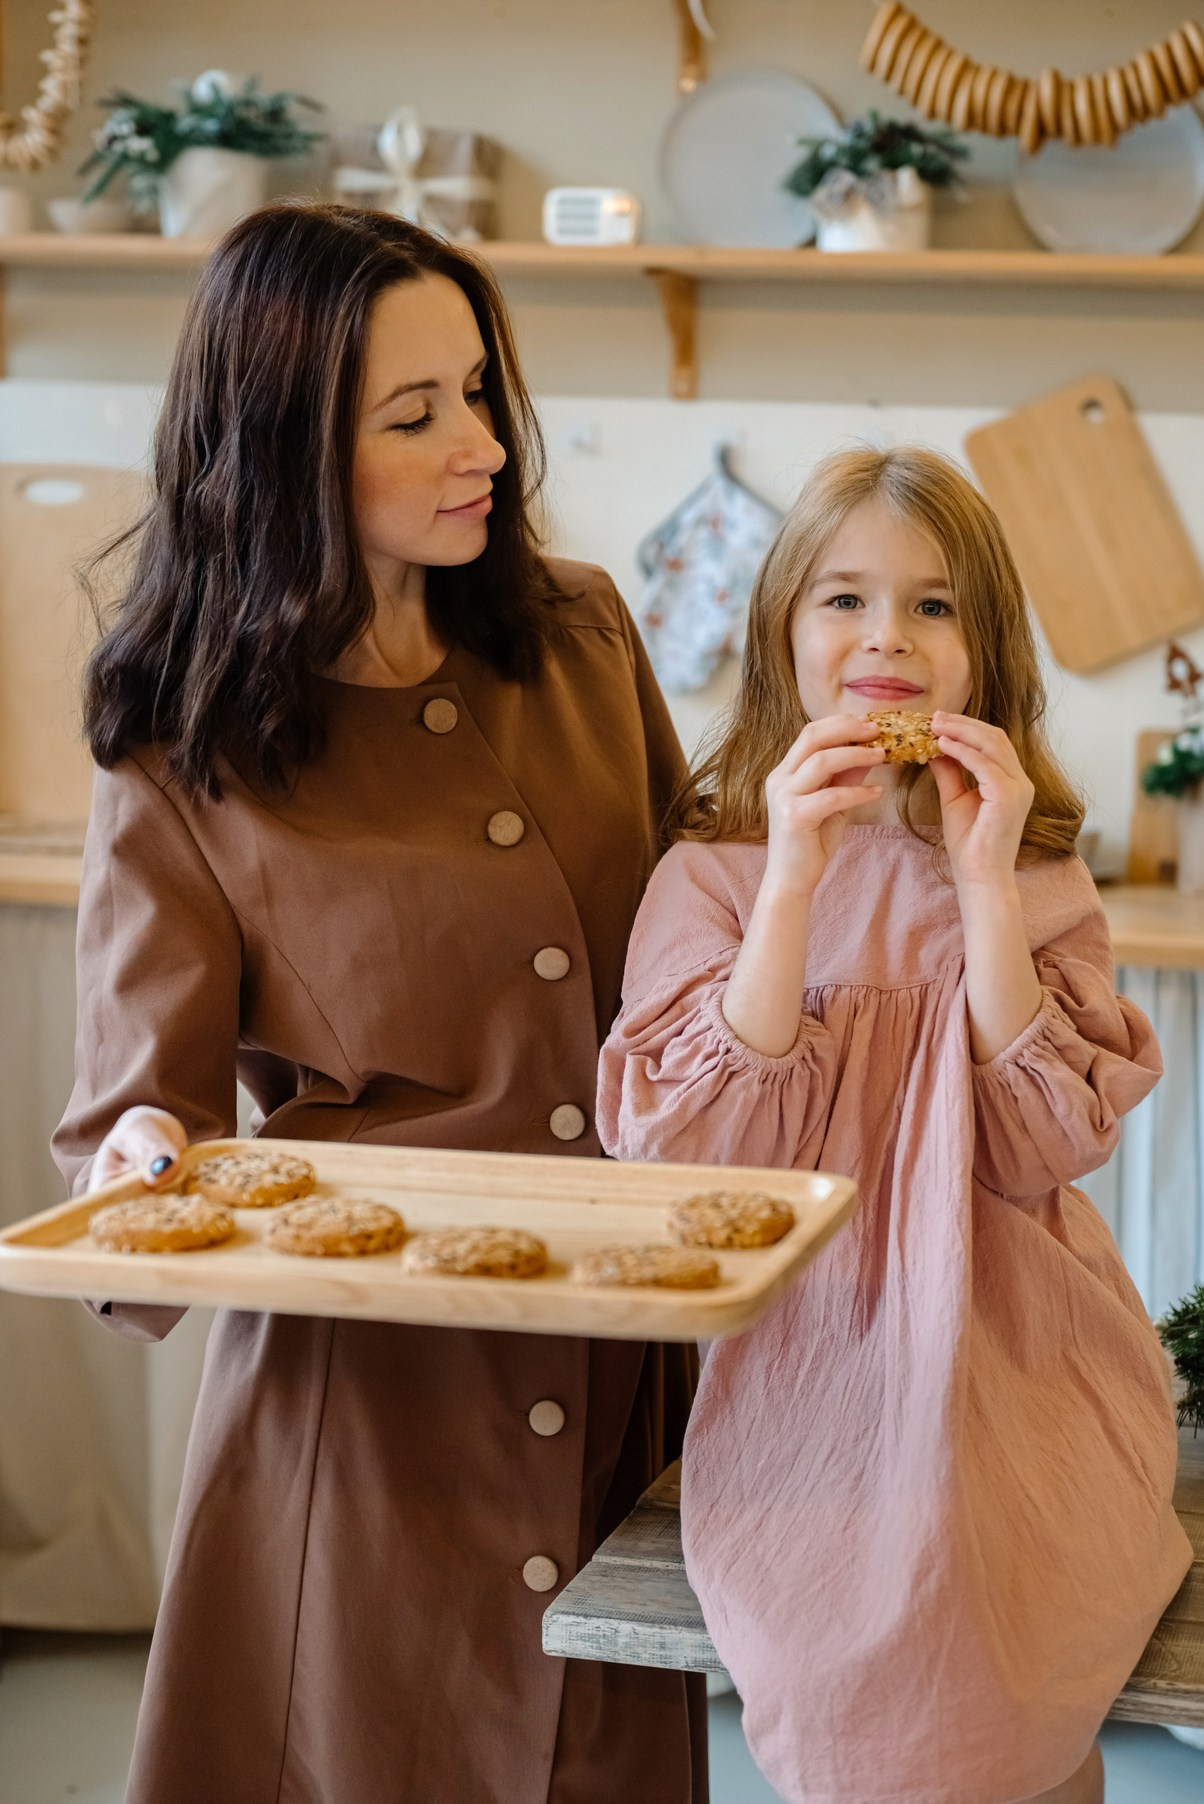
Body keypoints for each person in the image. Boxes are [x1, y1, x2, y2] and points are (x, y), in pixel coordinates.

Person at [52, 203, 706, 1804]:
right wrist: (144, 1160)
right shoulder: (185, 744)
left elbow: (710, 943)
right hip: (366, 1435)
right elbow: (141, 1120)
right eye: (414, 415)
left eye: (479, 390)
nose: (481, 442)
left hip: (627, 1378)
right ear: (281, 450)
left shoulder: (582, 637)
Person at [597, 446, 1192, 1804]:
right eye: (843, 599)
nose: (888, 639)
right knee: (865, 1662)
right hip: (811, 1382)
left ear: (986, 652)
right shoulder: (712, 873)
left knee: (1023, 1634)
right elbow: (693, 1160)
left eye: (934, 606)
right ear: (780, 637)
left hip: (1028, 1364)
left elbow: (1043, 1144)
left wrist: (985, 878)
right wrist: (796, 875)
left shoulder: (1040, 879)